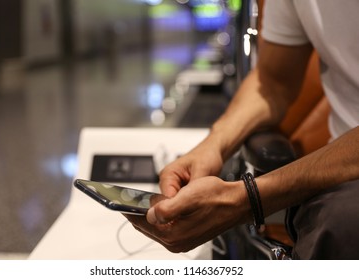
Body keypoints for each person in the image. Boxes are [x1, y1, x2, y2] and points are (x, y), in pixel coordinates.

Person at [125, 0, 359, 259]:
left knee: (343, 222)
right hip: (339, 172)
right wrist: (214, 144)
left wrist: (248, 199)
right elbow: (272, 83)